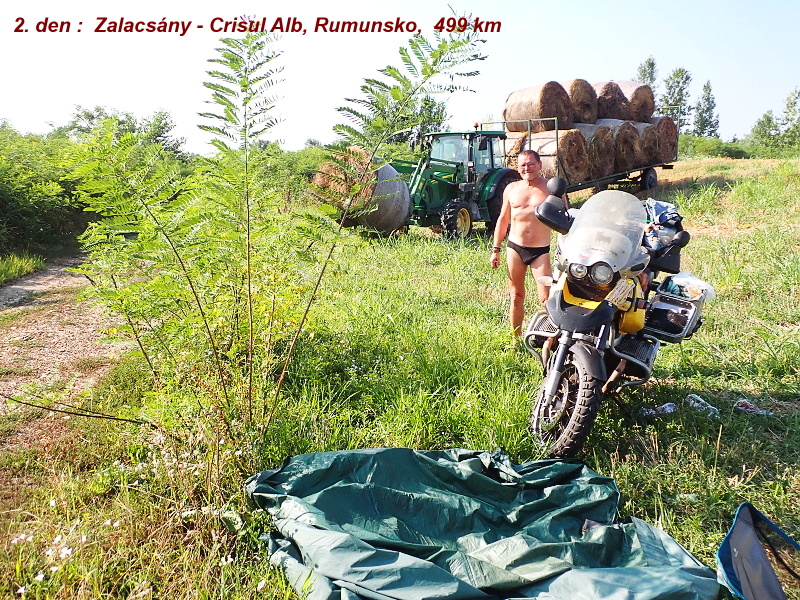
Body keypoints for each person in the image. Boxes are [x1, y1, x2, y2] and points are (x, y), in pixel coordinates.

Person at [489, 150, 554, 336]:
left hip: (540, 252)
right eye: (523, 165)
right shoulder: (511, 189)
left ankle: (550, 342)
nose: (527, 168)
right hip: (515, 249)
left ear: (540, 165)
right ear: (517, 168)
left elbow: (565, 217)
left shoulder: (551, 187)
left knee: (546, 300)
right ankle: (515, 340)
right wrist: (496, 249)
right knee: (516, 297)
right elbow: (503, 220)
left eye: (531, 164)